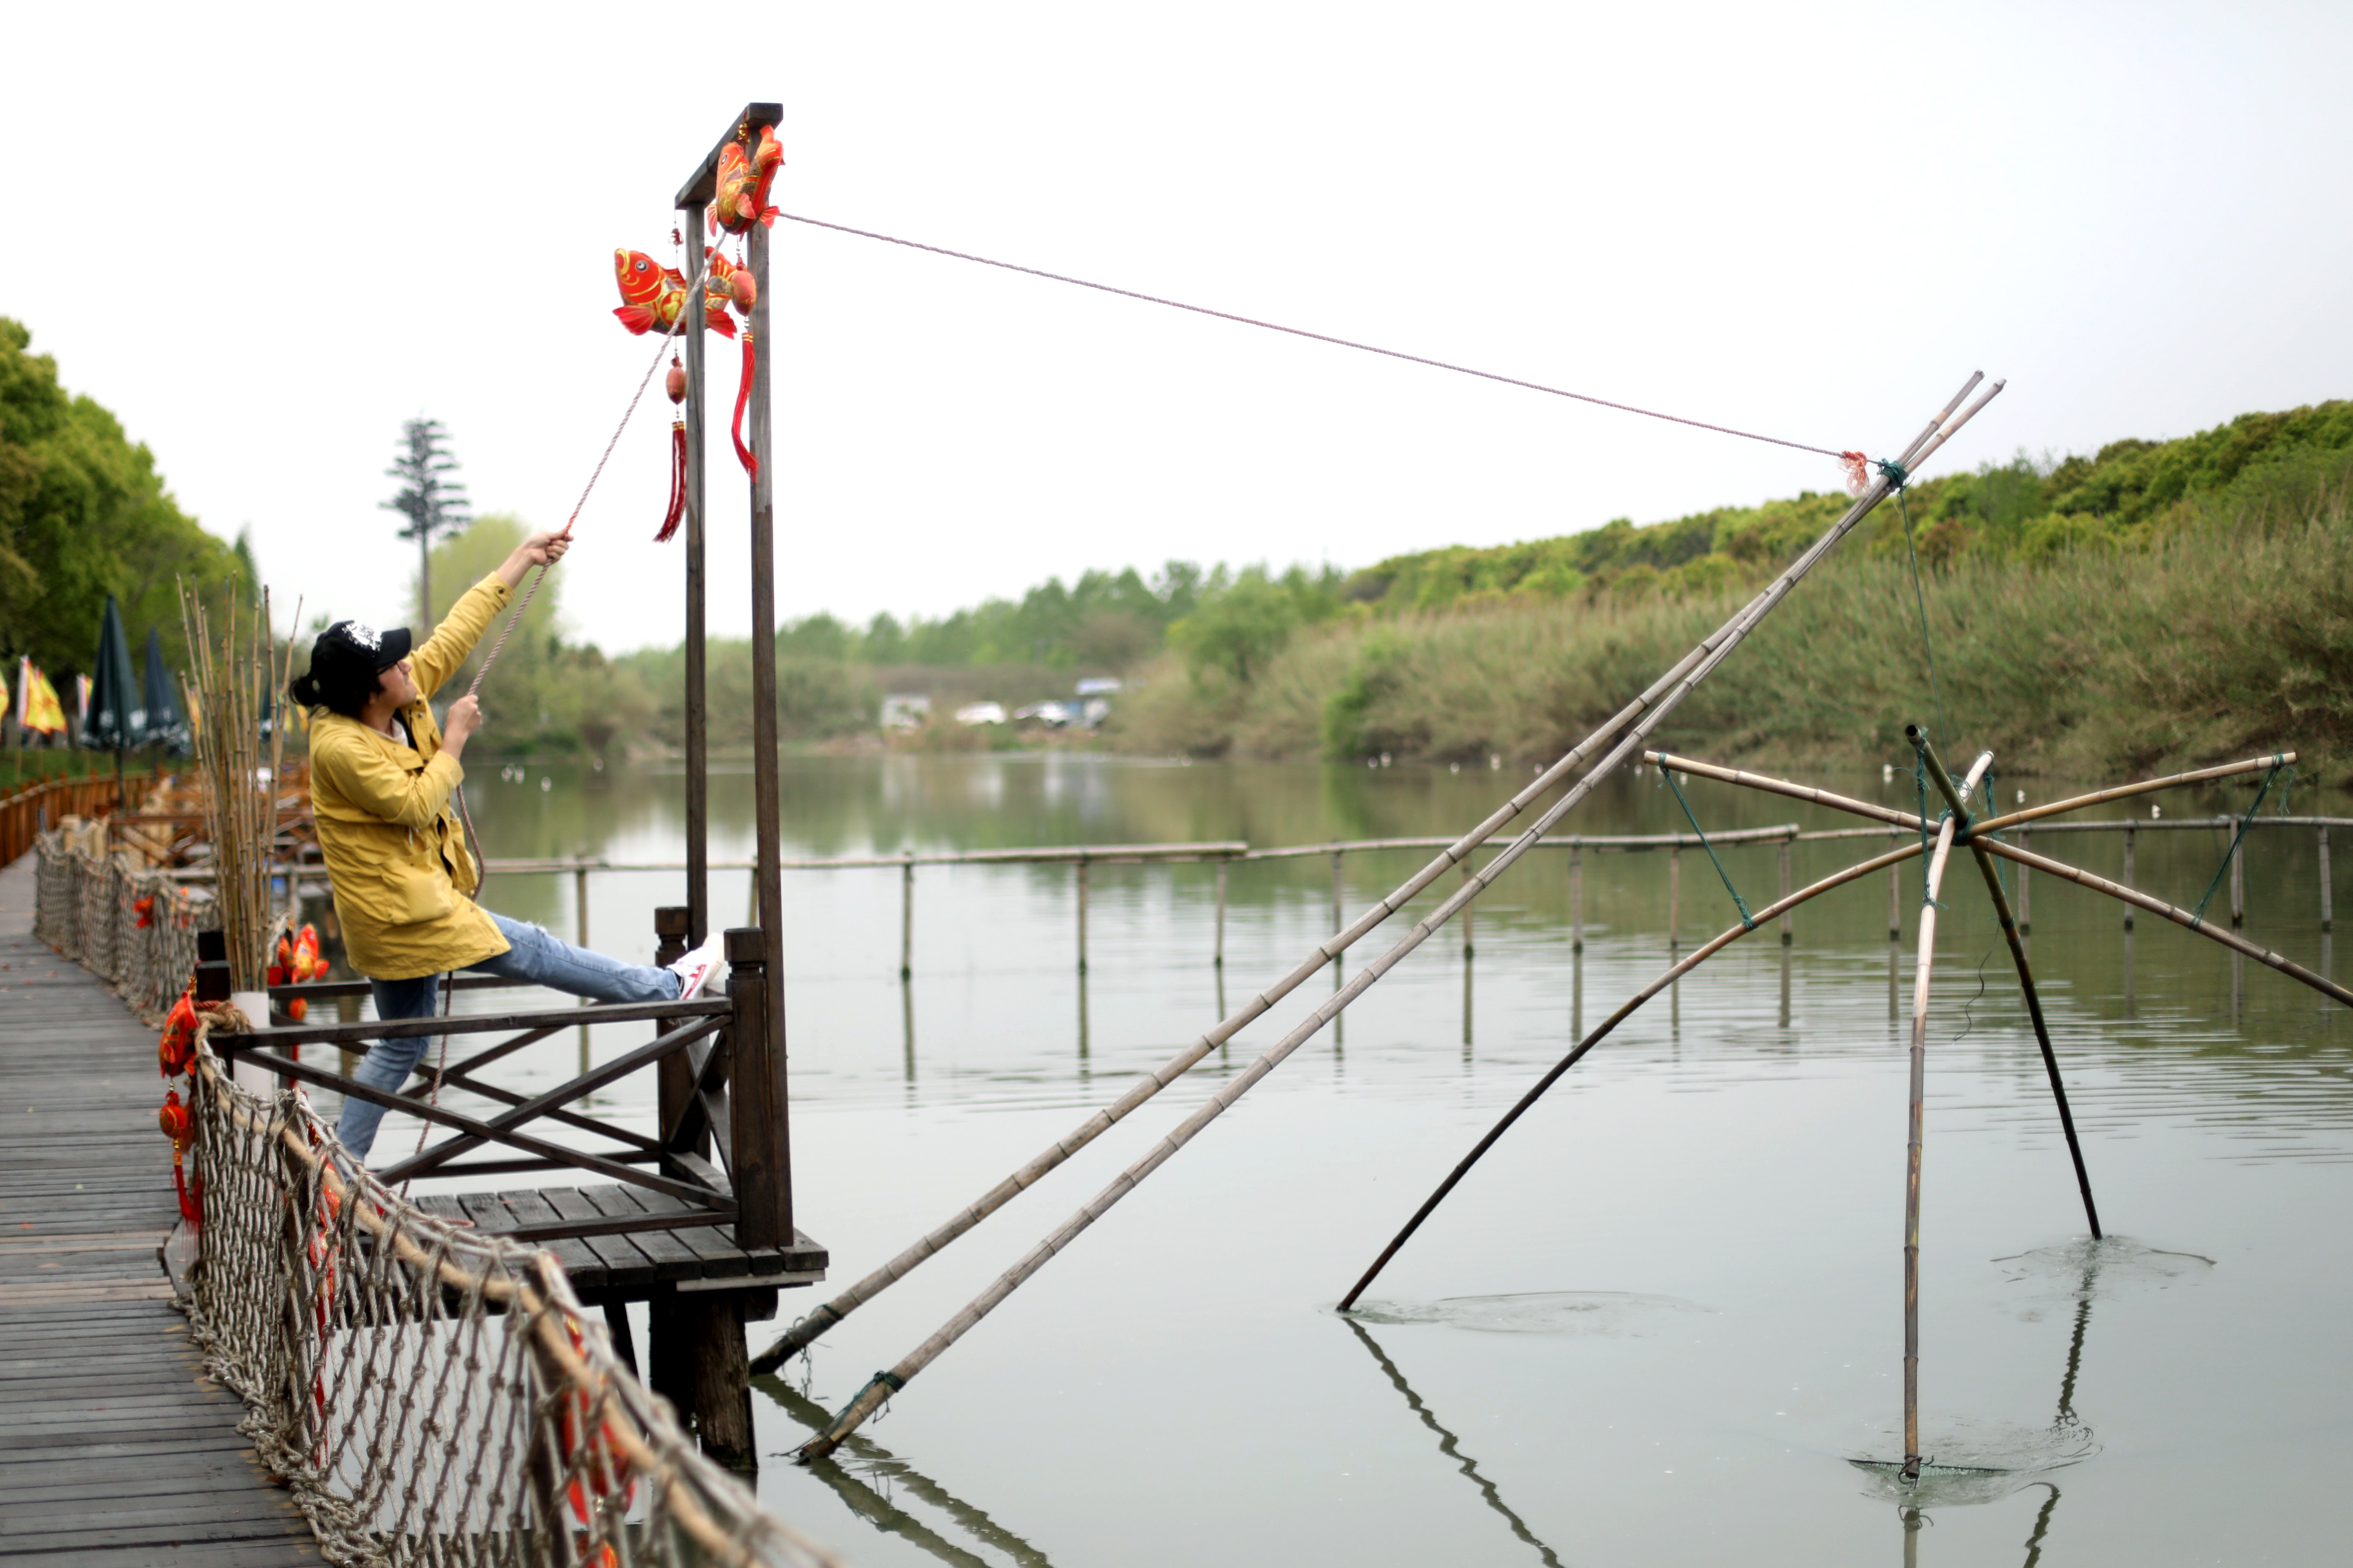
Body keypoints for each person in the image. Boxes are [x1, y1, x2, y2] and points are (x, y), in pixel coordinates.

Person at [289, 530, 723, 1160]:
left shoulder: (394, 703)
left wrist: (521, 559)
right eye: (394, 663)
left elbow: (455, 633)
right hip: (405, 917)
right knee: (535, 950)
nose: (409, 664)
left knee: (399, 1046)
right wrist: (456, 738)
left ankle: (337, 1172)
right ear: (366, 689)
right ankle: (666, 990)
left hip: (399, 912)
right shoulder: (339, 746)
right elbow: (413, 804)